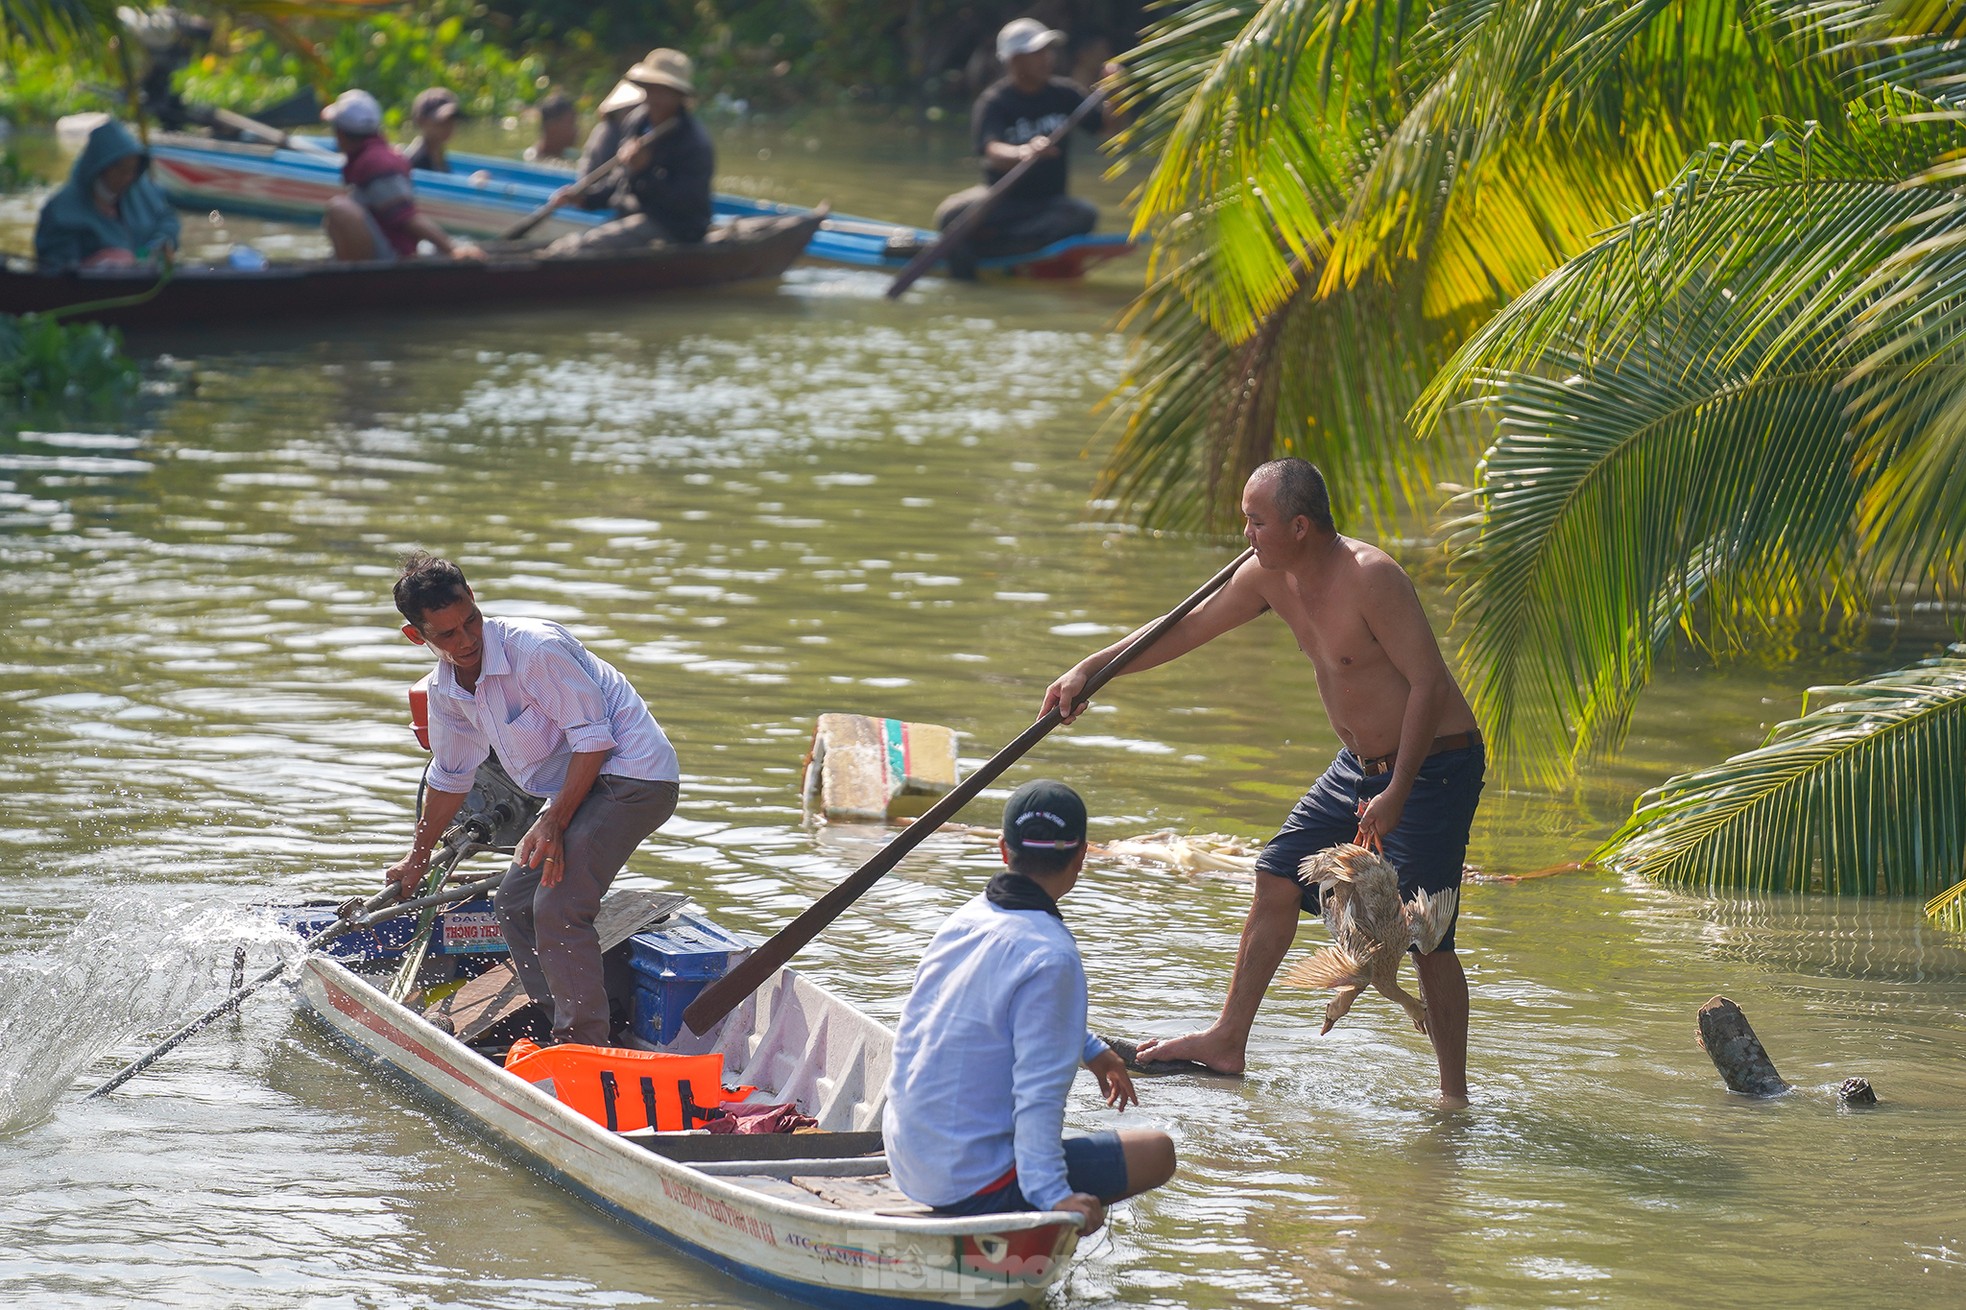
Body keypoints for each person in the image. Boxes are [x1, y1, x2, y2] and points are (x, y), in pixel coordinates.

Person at [1041, 459, 1486, 1105]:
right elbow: (1183, 630)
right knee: (1278, 873)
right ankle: (1227, 1041)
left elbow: (1428, 683)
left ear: (1300, 526)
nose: (1245, 535)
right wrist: (1093, 669)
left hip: (1434, 765)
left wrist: (1397, 793)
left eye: (1256, 521)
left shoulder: (1371, 578)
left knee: (1424, 937)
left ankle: (1454, 1098)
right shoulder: (1267, 577)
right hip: (1358, 766)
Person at [385, 552, 682, 1047]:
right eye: (447, 636)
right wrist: (416, 859)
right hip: (577, 789)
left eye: (470, 623)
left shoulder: (535, 648)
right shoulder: (445, 691)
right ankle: (561, 1025)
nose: (466, 641)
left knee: (559, 906)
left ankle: (584, 1046)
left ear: (475, 600)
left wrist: (554, 822)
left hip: (633, 778)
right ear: (418, 637)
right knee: (516, 902)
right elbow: (451, 775)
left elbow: (594, 740)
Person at [884, 780, 1176, 1233]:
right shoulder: (1053, 955)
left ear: (1004, 850)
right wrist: (1053, 1197)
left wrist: (1092, 1049)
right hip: (969, 1185)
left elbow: (1000, 1011)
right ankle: (1020, 1219)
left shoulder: (963, 921)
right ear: (1081, 856)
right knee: (1157, 1151)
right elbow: (1038, 1097)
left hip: (908, 1162)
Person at [932, 18, 1117, 279]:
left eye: (1048, 51)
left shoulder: (1065, 94)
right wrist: (1024, 152)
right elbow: (992, 150)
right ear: (1014, 60)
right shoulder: (994, 102)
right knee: (950, 214)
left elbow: (1107, 128)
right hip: (1002, 203)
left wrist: (1116, 93)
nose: (1047, 59)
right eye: (1037, 53)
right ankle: (982, 265)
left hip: (1047, 205)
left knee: (1084, 214)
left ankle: (995, 248)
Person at [543, 49, 714, 255]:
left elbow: (687, 205)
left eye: (664, 91)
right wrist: (585, 198)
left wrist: (645, 170)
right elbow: (620, 183)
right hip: (633, 218)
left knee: (580, 248)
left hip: (675, 228)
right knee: (566, 246)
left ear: (679, 96)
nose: (655, 98)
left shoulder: (693, 142)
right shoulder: (638, 121)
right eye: (652, 89)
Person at [319, 90, 471, 262]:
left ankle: (354, 278)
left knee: (339, 209)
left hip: (393, 256)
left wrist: (452, 249)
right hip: (386, 246)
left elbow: (408, 217)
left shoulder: (376, 162)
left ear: (341, 133)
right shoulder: (371, 157)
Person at [34, 119, 180, 272]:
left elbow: (168, 220)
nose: (127, 177)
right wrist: (95, 264)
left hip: (146, 282)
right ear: (101, 167)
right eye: (122, 170)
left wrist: (156, 247)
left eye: (133, 170)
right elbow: (53, 266)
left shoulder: (142, 192)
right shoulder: (61, 209)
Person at [403, 87, 461, 174]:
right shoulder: (414, 160)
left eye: (451, 119)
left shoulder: (438, 153)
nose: (448, 125)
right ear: (421, 121)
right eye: (441, 120)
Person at [525, 90, 579, 164]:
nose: (576, 130)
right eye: (571, 124)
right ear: (552, 128)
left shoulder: (571, 157)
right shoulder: (531, 160)